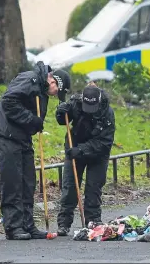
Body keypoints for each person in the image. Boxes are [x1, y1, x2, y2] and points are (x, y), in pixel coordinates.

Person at [0, 61, 71, 240]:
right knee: (12, 180)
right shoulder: (30, 79)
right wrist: (31, 120)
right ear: (54, 82)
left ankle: (27, 225)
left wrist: (34, 124)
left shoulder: (43, 92)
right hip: (5, 133)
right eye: (58, 91)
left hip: (22, 136)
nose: (56, 95)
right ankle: (13, 227)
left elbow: (34, 119)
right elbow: (9, 101)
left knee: (28, 180)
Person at [54, 83, 116, 236]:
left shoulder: (107, 113)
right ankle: (64, 223)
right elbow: (64, 120)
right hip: (74, 148)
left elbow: (104, 142)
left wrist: (81, 150)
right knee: (69, 187)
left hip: (97, 153)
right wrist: (61, 113)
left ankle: (93, 220)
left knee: (94, 187)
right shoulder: (75, 103)